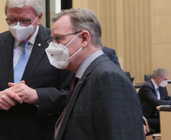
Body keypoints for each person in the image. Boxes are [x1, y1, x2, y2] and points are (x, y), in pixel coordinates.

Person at [0, 0, 74, 140]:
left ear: (39, 18)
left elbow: (70, 95)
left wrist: (38, 96)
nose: (17, 25)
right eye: (11, 19)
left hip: (43, 134)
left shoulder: (58, 43)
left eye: (25, 20)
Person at [45, 8, 144, 140]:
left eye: (59, 39)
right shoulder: (85, 75)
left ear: (84, 38)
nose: (53, 46)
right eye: (52, 40)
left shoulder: (108, 77)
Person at [138, 67, 171, 133]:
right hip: (147, 117)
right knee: (168, 121)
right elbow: (157, 102)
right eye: (165, 79)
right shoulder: (146, 87)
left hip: (157, 115)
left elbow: (167, 97)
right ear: (158, 78)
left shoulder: (160, 87)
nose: (166, 81)